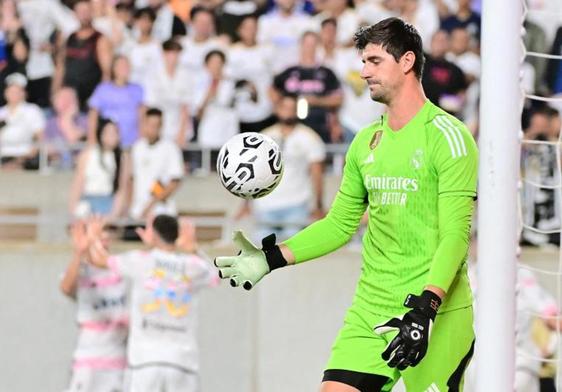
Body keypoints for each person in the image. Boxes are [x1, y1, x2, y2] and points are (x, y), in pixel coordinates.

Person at [215, 17, 478, 392]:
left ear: (406, 61)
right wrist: (269, 258)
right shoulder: (365, 142)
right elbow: (339, 224)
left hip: (436, 313)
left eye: (373, 61)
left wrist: (426, 308)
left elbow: (455, 235)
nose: (364, 71)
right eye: (363, 61)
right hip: (372, 308)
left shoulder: (449, 137)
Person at [86, 214, 218, 392]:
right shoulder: (191, 265)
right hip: (183, 361)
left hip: (144, 360)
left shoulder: (141, 260)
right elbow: (216, 277)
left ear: (154, 235)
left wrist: (93, 237)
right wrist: (193, 248)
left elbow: (99, 260)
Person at [238, 94, 326, 241]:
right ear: (276, 109)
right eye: (284, 107)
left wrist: (318, 206)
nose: (288, 111)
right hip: (265, 205)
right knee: (260, 254)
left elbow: (317, 174)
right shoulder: (264, 136)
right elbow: (252, 171)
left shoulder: (309, 137)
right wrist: (246, 203)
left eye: (292, 108)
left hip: (296, 204)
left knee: (293, 255)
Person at [60, 219, 128, 392]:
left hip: (118, 361)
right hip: (88, 360)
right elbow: (66, 287)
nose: (104, 237)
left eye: (106, 232)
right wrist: (79, 253)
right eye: (98, 233)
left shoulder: (123, 267)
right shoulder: (81, 269)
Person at [271, 31, 343, 143]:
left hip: (320, 126)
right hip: (292, 127)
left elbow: (338, 99)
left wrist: (316, 101)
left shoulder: (327, 73)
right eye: (306, 44)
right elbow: (272, 90)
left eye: (313, 44)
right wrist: (282, 107)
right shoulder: (289, 71)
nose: (309, 48)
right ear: (301, 45)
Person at [54, 0, 113, 111]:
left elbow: (107, 73)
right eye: (80, 11)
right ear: (74, 14)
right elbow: (60, 68)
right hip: (69, 100)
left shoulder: (100, 39)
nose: (84, 15)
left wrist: (99, 99)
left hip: (90, 100)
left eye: (86, 11)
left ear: (92, 12)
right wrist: (55, 92)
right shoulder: (69, 38)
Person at [129, 108, 184, 220]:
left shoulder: (170, 148)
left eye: (156, 125)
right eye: (150, 125)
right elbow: (131, 179)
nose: (153, 129)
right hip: (137, 211)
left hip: (161, 212)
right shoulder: (137, 148)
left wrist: (150, 205)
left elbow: (174, 181)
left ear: (161, 126)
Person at [69, 118, 128, 219]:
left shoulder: (122, 158)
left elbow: (122, 188)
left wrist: (115, 213)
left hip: (108, 203)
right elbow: (78, 183)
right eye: (109, 133)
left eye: (115, 133)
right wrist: (73, 208)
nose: (113, 136)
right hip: (88, 202)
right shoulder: (88, 154)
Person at [87, 55, 145, 149]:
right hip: (108, 144)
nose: (125, 69)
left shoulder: (137, 89)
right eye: (121, 66)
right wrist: (92, 138)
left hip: (131, 143)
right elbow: (93, 114)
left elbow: (142, 116)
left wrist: (141, 139)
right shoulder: (103, 89)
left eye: (127, 66)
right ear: (114, 68)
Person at [144, 39, 192, 146]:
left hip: (178, 125)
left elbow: (185, 106)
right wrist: (150, 129)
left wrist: (182, 133)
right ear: (164, 54)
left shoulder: (186, 75)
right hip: (158, 124)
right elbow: (149, 105)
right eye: (170, 53)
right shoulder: (153, 73)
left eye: (176, 54)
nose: (173, 57)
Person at [0, 72, 45, 169]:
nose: (13, 94)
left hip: (25, 158)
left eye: (17, 91)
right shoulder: (1, 112)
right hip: (3, 157)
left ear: (23, 93)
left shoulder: (32, 110)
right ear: (5, 92)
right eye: (11, 91)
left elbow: (41, 137)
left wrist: (19, 161)